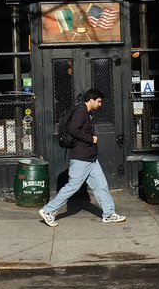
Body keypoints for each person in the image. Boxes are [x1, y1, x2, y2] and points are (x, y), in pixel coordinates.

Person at [39, 88, 126, 227]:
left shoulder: (88, 112)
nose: (100, 104)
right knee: (73, 186)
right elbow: (73, 129)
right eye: (98, 101)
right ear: (90, 100)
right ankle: (48, 210)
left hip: (90, 158)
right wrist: (91, 139)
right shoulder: (81, 111)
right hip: (81, 157)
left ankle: (109, 214)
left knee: (101, 185)